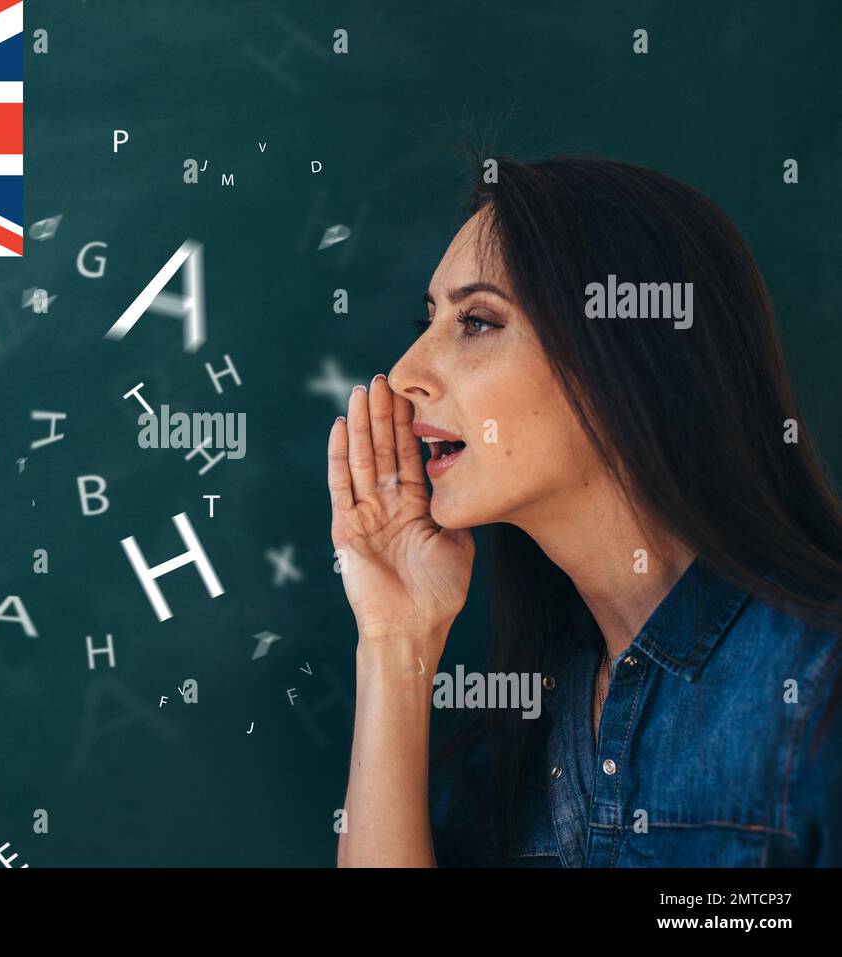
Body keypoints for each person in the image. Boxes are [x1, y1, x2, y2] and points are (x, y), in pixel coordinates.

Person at [328, 155, 842, 867]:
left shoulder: (817, 690)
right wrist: (393, 638)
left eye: (476, 320)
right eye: (430, 318)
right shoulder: (526, 727)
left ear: (625, 355)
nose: (407, 370)